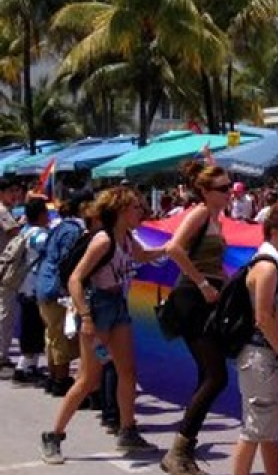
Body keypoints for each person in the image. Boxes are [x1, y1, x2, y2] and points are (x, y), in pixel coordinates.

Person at [41, 186, 165, 464]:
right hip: (97, 308)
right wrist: (85, 317)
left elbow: (143, 256)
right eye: (135, 207)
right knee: (89, 378)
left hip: (116, 304)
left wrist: (173, 245)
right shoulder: (103, 240)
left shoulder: (126, 238)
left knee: (127, 372)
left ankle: (127, 430)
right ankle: (54, 434)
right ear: (121, 210)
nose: (140, 212)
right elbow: (75, 279)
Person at [160, 163, 235, 475]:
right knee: (216, 376)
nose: (229, 192)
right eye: (222, 188)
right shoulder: (201, 213)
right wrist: (204, 284)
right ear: (205, 192)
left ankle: (184, 448)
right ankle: (178, 451)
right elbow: (173, 248)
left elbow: (212, 262)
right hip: (193, 298)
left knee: (209, 374)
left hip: (206, 298)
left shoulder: (217, 218)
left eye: (229, 186)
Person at [231, 202, 278, 475]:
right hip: (261, 356)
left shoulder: (273, 262)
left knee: (268, 427)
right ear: (275, 231)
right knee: (255, 429)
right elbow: (262, 317)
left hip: (262, 354)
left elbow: (266, 312)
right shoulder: (269, 267)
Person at [36, 190, 94, 397]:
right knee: (60, 336)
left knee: (52, 334)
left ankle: (54, 377)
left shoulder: (62, 227)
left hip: (43, 284)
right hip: (55, 288)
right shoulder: (73, 230)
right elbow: (67, 262)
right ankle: (61, 380)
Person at [12, 197, 51, 384]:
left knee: (32, 327)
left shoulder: (25, 231)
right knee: (33, 328)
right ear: (42, 214)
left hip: (24, 286)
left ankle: (30, 366)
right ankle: (22, 368)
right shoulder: (40, 236)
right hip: (34, 287)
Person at [0, 178, 26, 378]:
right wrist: (23, 224)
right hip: (5, 268)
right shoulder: (2, 211)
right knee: (5, 312)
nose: (14, 195)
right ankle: (1, 356)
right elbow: (14, 233)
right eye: (11, 191)